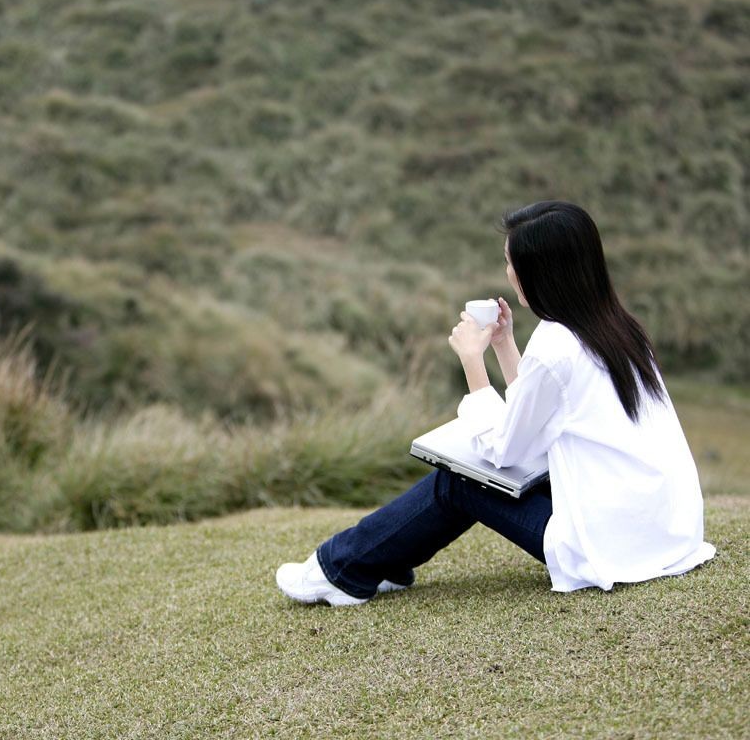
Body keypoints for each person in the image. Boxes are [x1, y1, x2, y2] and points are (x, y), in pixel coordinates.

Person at [275, 200, 716, 605]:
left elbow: (506, 450)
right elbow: (545, 411)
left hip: (612, 546)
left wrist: (473, 363)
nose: (508, 273)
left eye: (510, 263)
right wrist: (505, 345)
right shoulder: (617, 326)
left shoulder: (556, 345)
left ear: (537, 273)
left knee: (459, 480)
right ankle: (380, 562)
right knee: (481, 472)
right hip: (666, 533)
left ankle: (341, 570)